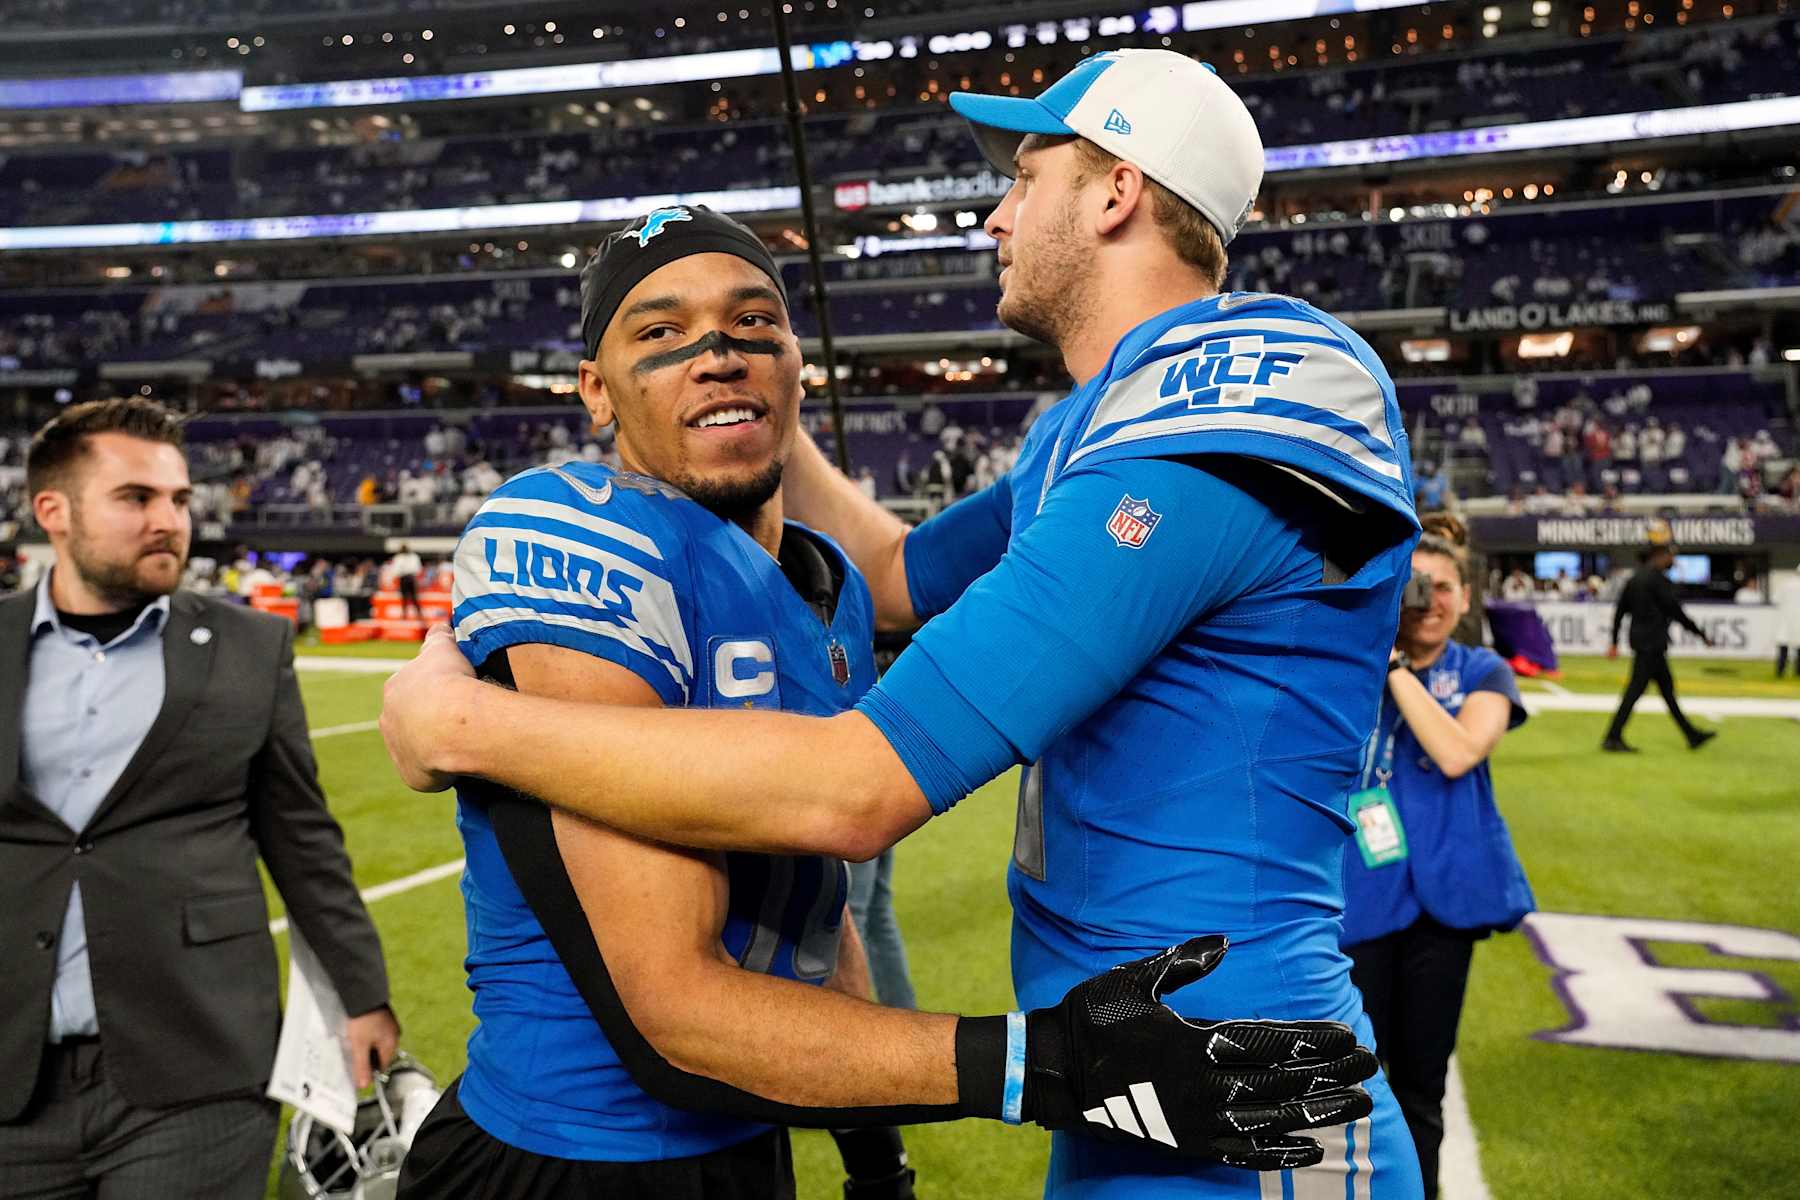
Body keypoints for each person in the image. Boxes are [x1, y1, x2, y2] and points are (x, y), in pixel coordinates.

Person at [383, 52, 1423, 1200]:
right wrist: (747, 384)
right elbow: (893, 572)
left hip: (1238, 1068)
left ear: (1117, 191)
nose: (998, 215)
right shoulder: (1088, 432)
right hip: (1131, 1056)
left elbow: (855, 791)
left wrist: (465, 724)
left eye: (1027, 178)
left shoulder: (1246, 390)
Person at [0, 398, 398, 1198]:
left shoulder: (250, 647)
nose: (169, 520)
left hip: (198, 1064)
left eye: (179, 499)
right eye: (136, 498)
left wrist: (365, 997)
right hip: (13, 1076)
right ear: (54, 512)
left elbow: (302, 839)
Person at [1340, 535, 1533, 1200]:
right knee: (1353, 1077)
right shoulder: (1345, 667)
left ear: (1466, 598)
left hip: (1443, 903)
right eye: (1413, 586)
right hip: (1358, 896)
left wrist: (1395, 669)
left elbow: (1457, 752)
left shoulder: (1483, 670)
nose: (1429, 601)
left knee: (1421, 1085)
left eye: (1443, 587)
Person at [1602, 541, 1717, 751]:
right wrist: (1701, 635)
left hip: (1643, 643)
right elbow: (1676, 611)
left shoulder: (1635, 579)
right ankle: (1612, 737)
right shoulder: (1658, 581)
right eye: (1670, 556)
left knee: (1666, 692)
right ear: (1660, 555)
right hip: (1651, 645)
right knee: (1635, 691)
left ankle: (1691, 734)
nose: (1673, 560)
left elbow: (1619, 612)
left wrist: (1614, 642)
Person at [1772, 565, 1800, 679]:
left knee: (1783, 648)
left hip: (1786, 620)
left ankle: (1780, 671)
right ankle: (1798, 672)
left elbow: (1775, 599)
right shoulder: (1788, 584)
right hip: (1796, 621)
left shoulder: (1786, 584)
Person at [390, 541, 423, 619]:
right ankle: (405, 614)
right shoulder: (398, 558)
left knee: (414, 597)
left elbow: (417, 569)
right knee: (404, 597)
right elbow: (395, 570)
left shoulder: (413, 557)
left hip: (410, 578)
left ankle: (419, 614)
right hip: (403, 578)